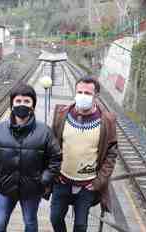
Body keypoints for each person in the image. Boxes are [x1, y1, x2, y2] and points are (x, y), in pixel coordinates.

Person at [0, 83, 62, 232]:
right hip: (5, 188)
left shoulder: (45, 132)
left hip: (32, 190)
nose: (22, 105)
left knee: (30, 223)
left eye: (27, 101)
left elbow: (56, 159)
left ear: (33, 105)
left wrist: (43, 180)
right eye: (18, 101)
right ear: (12, 104)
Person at [50, 77, 119, 232]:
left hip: (87, 185)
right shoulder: (61, 114)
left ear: (96, 96)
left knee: (81, 226)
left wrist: (98, 182)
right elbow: (51, 145)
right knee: (55, 218)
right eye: (79, 92)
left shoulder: (107, 121)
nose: (82, 96)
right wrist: (54, 173)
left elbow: (111, 154)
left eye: (87, 93)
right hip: (62, 180)